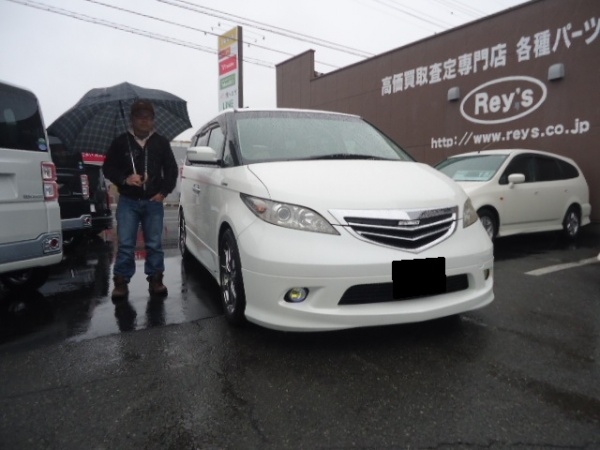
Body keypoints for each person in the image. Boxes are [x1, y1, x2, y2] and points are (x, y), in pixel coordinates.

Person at [103, 99, 178, 300]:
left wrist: (164, 192)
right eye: (140, 116)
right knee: (126, 244)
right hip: (128, 201)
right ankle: (121, 282)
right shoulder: (121, 142)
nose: (144, 120)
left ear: (153, 120)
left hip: (153, 202)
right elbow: (108, 168)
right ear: (132, 119)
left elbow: (171, 170)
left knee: (154, 244)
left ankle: (156, 279)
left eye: (148, 117)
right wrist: (125, 179)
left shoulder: (161, 142)